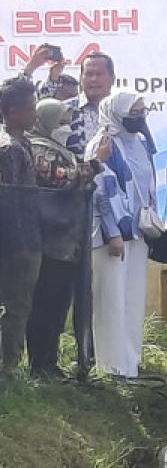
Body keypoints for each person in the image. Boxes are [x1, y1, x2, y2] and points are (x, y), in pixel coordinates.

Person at [26, 98, 107, 379]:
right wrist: (94, 165)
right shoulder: (39, 148)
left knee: (60, 304)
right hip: (49, 241)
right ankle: (40, 363)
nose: (66, 128)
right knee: (45, 305)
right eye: (61, 122)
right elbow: (60, 178)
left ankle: (50, 361)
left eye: (68, 122)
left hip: (68, 239)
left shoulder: (58, 148)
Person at [87, 89, 156, 378]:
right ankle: (112, 365)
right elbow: (101, 190)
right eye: (134, 111)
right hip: (110, 237)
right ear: (118, 113)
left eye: (142, 110)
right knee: (111, 298)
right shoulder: (103, 145)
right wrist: (113, 232)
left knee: (131, 298)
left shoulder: (140, 142)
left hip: (137, 233)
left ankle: (130, 364)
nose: (139, 116)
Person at [0, 79, 43, 378]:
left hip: (21, 238)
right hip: (19, 241)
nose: (35, 115)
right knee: (17, 305)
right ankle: (9, 369)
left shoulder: (22, 142)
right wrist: (22, 247)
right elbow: (14, 199)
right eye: (30, 109)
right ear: (13, 112)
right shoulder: (10, 148)